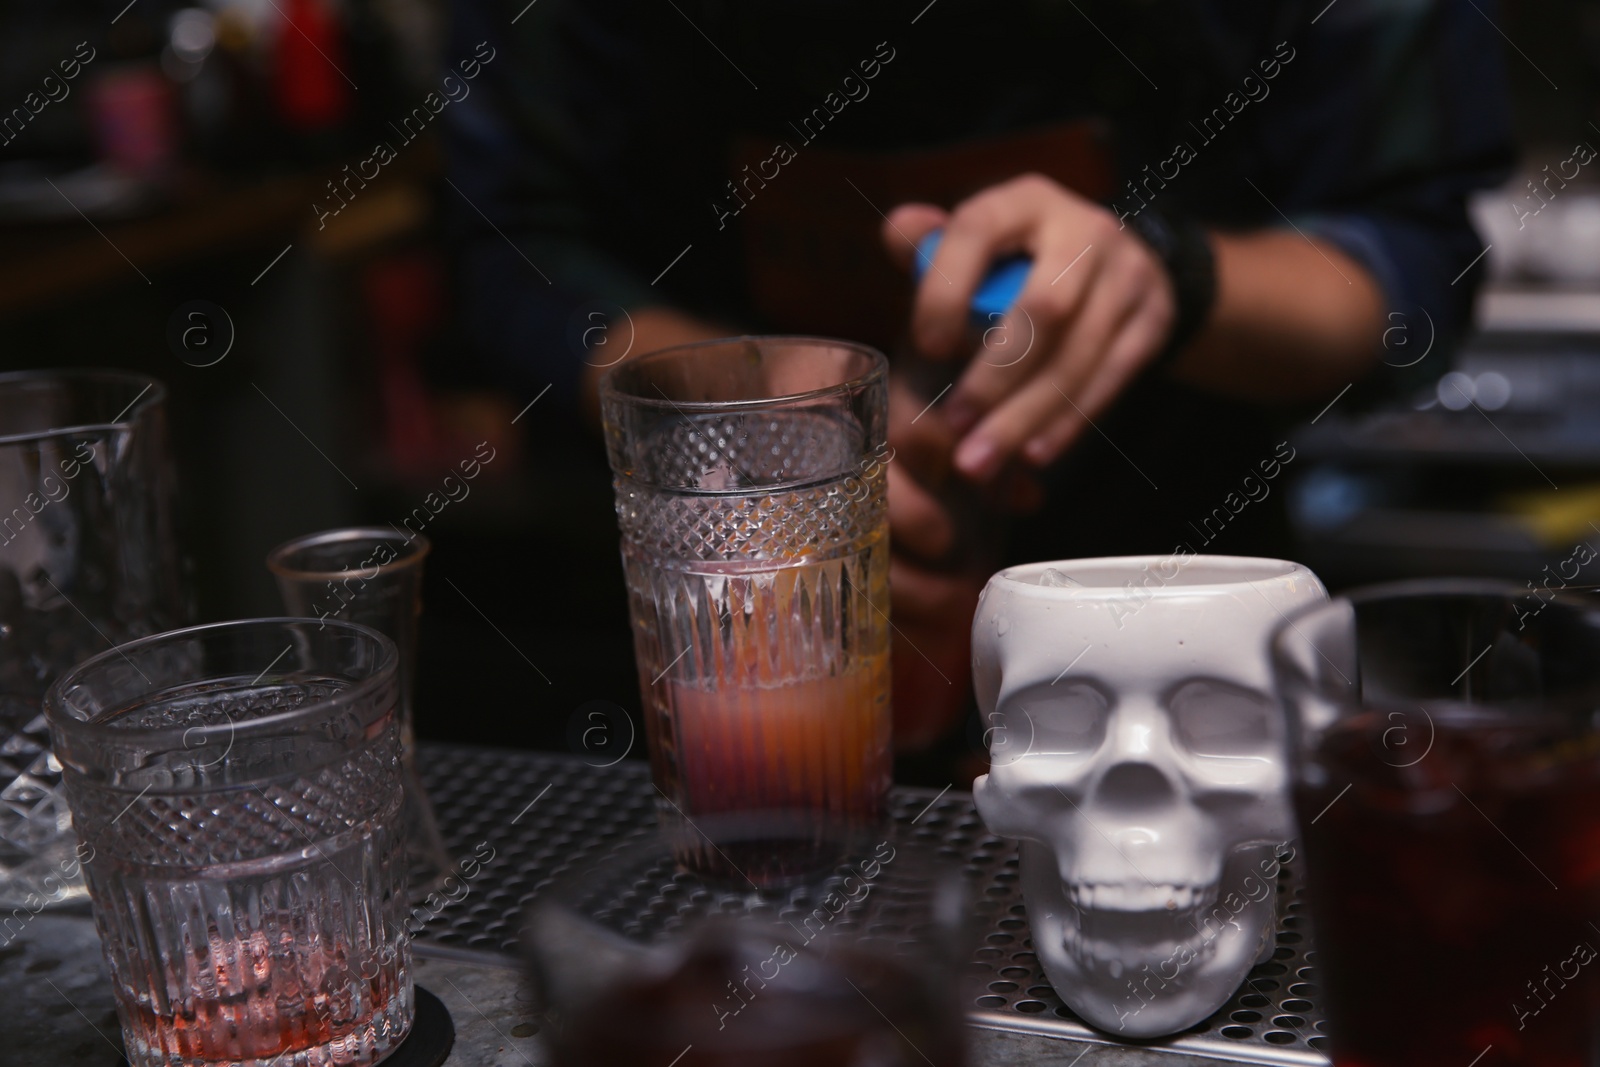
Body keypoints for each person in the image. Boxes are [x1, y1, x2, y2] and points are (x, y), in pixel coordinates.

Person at [444, 0, 1514, 762]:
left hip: (1189, 634)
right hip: (705, 659)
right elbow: (507, 240)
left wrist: (1176, 284)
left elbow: (1410, 255)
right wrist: (730, 413)